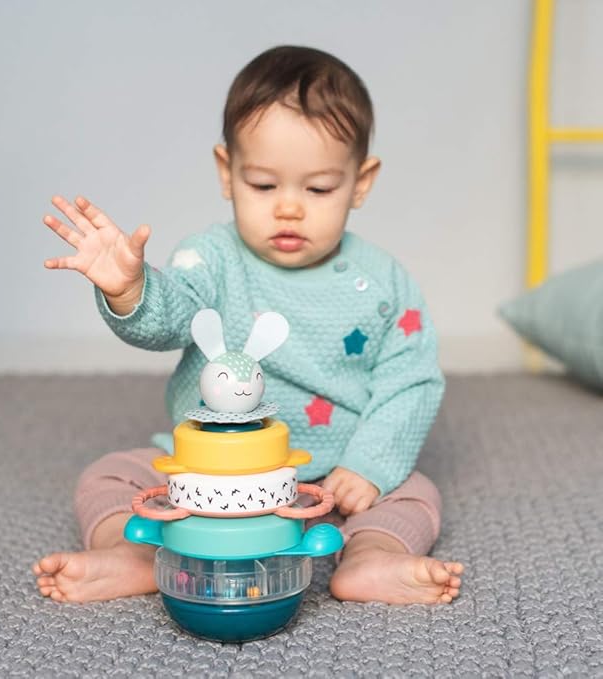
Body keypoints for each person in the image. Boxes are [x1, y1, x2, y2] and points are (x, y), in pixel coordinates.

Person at [33, 45, 464, 605]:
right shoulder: (210, 259)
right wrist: (130, 290)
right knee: (111, 476)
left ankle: (372, 557)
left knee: (413, 494)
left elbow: (412, 380)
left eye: (318, 188)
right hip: (209, 473)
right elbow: (171, 319)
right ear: (227, 172)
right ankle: (132, 552)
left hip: (331, 479)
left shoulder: (385, 284)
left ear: (360, 182)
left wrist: (369, 468)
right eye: (263, 184)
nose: (289, 208)